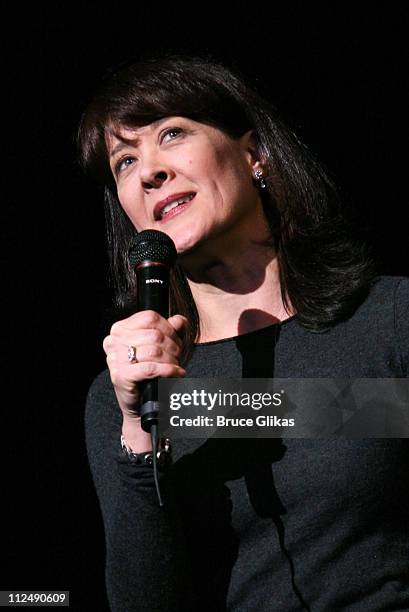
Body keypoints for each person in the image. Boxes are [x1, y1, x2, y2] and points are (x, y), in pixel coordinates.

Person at [78, 53, 408, 612]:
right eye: (125, 162)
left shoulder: (388, 319)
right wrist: (139, 427)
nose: (150, 170)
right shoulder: (122, 398)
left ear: (253, 154)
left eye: (172, 133)